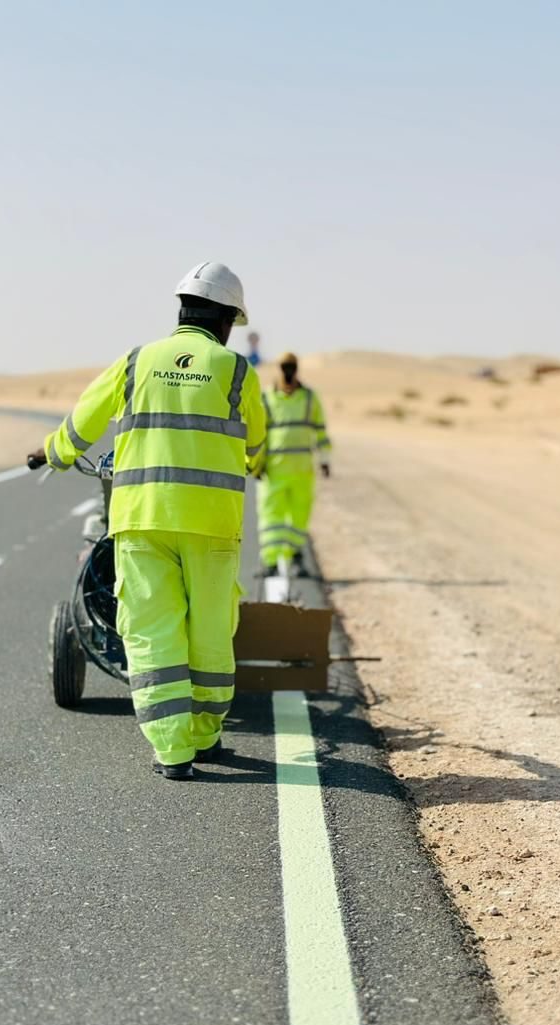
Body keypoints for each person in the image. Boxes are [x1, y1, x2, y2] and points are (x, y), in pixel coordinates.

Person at [29, 262, 266, 779]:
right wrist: (252, 458)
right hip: (212, 526)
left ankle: (172, 752)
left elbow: (83, 422)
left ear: (182, 310)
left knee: (152, 631)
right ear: (227, 320)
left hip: (140, 521)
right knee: (209, 631)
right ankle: (205, 737)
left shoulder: (137, 361)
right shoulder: (237, 371)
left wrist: (52, 452)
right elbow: (257, 442)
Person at [257, 352, 331, 576]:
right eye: (284, 366)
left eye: (291, 366)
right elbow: (258, 435)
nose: (288, 371)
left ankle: (296, 558)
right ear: (278, 368)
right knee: (271, 516)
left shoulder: (310, 398)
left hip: (302, 471)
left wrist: (325, 461)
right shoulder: (266, 398)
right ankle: (270, 562)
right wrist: (256, 464)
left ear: (297, 368)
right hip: (274, 471)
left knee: (299, 516)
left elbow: (320, 431)